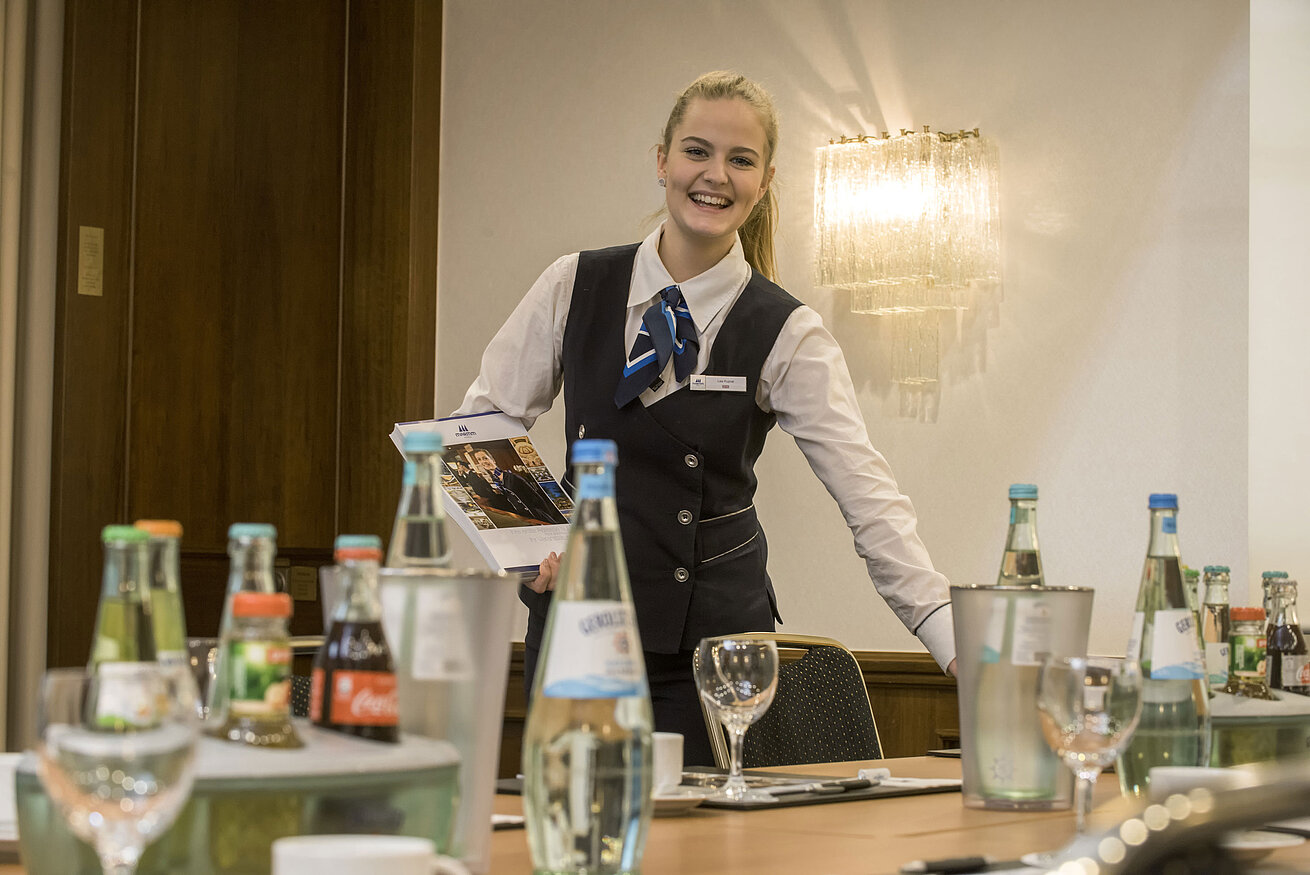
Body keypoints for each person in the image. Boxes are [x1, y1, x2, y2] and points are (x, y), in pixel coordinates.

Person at [456, 71, 955, 766]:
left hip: (715, 662)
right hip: (576, 634)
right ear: (661, 160)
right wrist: (528, 542)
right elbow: (478, 426)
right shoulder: (576, 283)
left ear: (765, 180)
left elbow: (869, 499)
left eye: (740, 159)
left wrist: (959, 647)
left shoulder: (787, 331)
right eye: (696, 151)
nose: (714, 175)